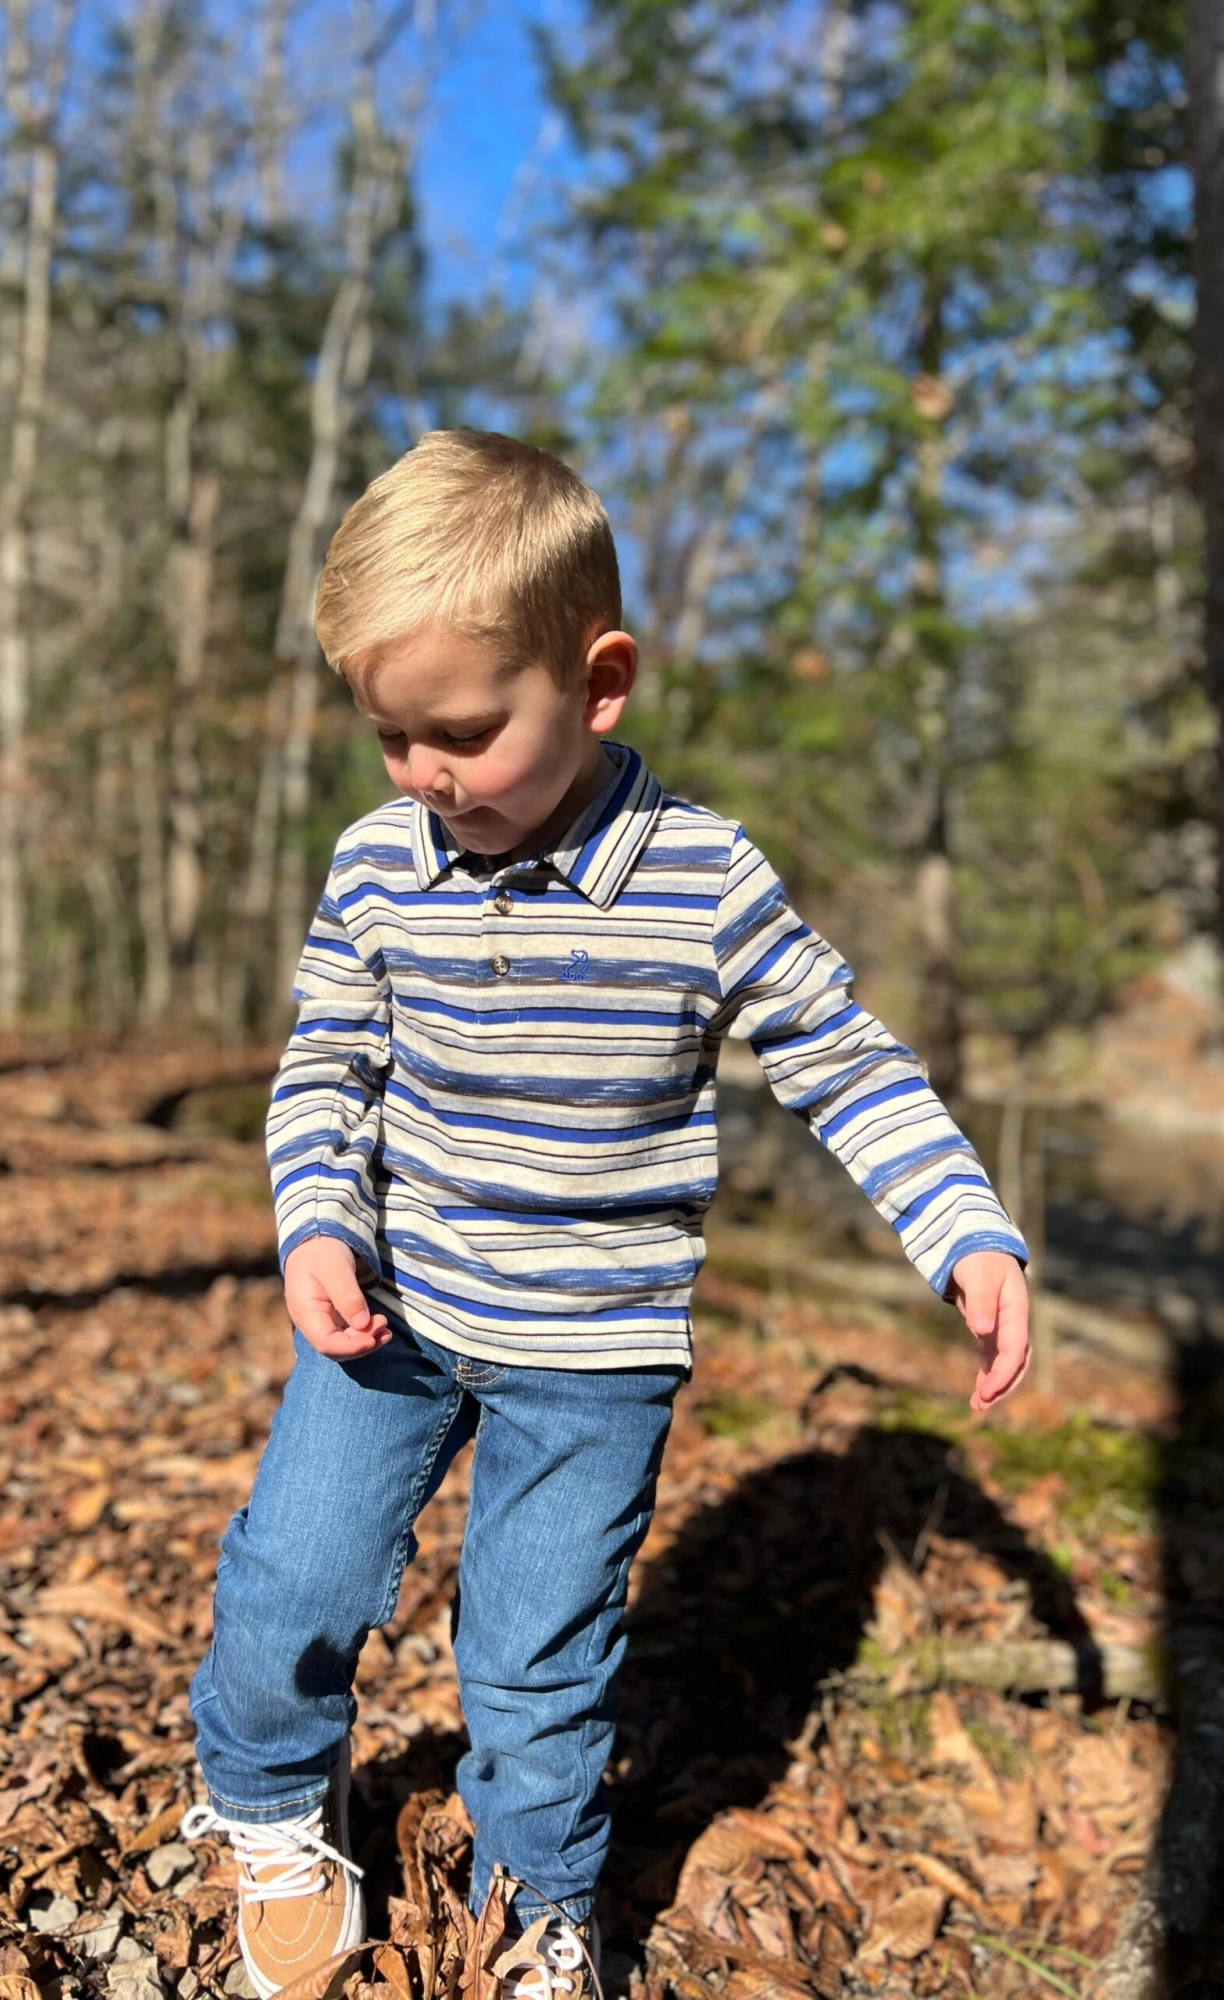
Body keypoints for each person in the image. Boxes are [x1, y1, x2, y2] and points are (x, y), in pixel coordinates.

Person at [182, 430, 1030, 2000]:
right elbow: (325, 1068)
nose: (425, 774)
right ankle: (273, 1805)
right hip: (399, 1306)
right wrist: (315, 1223)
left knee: (535, 1656)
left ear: (600, 680)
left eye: (462, 731)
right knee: (294, 1573)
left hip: (596, 1354)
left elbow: (844, 1064)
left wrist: (965, 1229)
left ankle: (536, 1900)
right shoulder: (383, 865)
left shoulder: (705, 882)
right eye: (391, 739)